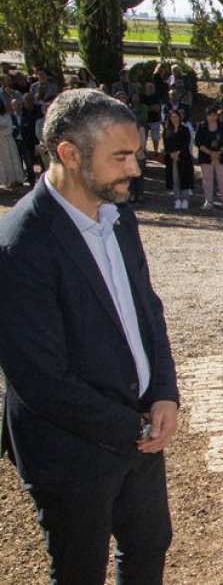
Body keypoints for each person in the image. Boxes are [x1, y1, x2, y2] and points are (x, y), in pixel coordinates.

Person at [0, 89, 179, 584]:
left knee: (148, 545)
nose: (136, 170)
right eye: (120, 157)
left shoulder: (119, 216)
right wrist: (133, 427)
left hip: (138, 430)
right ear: (69, 154)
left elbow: (148, 309)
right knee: (80, 570)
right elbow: (41, 380)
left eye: (136, 155)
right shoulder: (19, 246)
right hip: (70, 449)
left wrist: (163, 391)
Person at [195, 105, 223, 210]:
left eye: (214, 114)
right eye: (210, 115)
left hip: (221, 157)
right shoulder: (201, 127)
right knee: (207, 179)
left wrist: (218, 153)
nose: (212, 117)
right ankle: (208, 201)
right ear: (206, 116)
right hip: (206, 157)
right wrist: (210, 153)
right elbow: (198, 142)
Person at [162, 108, 195, 209]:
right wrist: (172, 153)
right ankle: (177, 199)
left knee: (184, 178)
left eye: (176, 117)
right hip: (172, 159)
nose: (174, 119)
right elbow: (166, 145)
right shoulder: (167, 131)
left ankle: (185, 199)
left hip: (184, 158)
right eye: (172, 117)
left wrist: (178, 153)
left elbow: (186, 143)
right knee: (174, 179)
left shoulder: (185, 130)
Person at [0, 96, 24, 189]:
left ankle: (13, 182)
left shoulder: (6, 115)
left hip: (7, 141)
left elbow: (9, 127)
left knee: (9, 161)